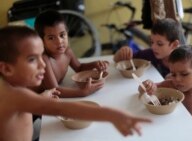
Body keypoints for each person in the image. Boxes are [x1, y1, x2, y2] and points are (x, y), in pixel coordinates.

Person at [0, 26, 151, 141]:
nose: (43, 65)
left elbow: (25, 107)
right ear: (6, 68)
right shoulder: (14, 96)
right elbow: (62, 109)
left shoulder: (13, 91)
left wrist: (42, 97)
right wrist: (112, 115)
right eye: (32, 59)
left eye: (41, 56)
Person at [34, 9, 108, 97]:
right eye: (51, 38)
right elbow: (54, 89)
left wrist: (95, 64)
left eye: (62, 35)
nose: (59, 41)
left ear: (67, 33)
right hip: (33, 96)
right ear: (41, 40)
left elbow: (79, 68)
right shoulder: (44, 59)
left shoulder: (67, 52)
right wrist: (82, 92)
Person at [113, 18, 181, 78]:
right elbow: (118, 60)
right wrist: (121, 53)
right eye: (152, 42)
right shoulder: (151, 54)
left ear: (174, 45)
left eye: (159, 44)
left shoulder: (185, 64)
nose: (153, 47)